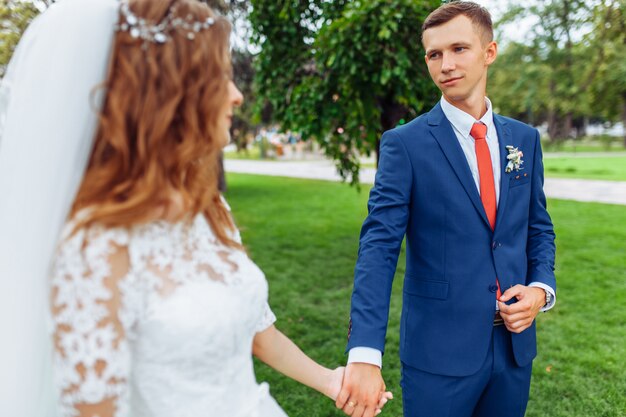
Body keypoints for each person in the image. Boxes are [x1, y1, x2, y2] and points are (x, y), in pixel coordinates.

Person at [0, 0, 392, 416]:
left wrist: (332, 381)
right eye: (220, 77)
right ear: (170, 92)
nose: (239, 96)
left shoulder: (209, 207)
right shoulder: (95, 248)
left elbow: (257, 332)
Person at [335, 2, 557, 417]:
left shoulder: (523, 140)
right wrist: (364, 352)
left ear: (489, 52)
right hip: (438, 355)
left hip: (514, 350)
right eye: (434, 54)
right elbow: (379, 249)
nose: (446, 64)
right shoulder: (405, 144)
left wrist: (540, 290)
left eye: (459, 49)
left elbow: (538, 227)